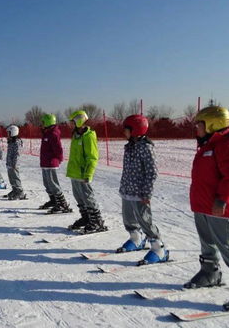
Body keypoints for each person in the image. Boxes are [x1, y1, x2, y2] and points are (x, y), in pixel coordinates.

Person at [183, 106, 229, 311]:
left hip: (219, 208)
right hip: (203, 206)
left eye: (200, 124)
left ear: (213, 124)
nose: (196, 128)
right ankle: (210, 272)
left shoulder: (227, 144)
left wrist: (222, 200)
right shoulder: (206, 145)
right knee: (207, 244)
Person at [117, 115, 168, 264]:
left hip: (140, 193)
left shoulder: (146, 147)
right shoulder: (129, 147)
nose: (124, 133)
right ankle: (136, 239)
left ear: (135, 130)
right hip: (127, 190)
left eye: (126, 130)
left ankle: (159, 248)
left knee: (145, 220)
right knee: (128, 218)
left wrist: (146, 192)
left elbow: (152, 172)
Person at [67, 110, 106, 233]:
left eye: (72, 122)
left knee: (88, 197)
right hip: (75, 172)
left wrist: (89, 174)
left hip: (83, 174)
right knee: (78, 197)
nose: (70, 125)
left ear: (79, 121)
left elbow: (92, 157)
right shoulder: (75, 135)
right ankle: (86, 218)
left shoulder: (88, 136)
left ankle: (97, 221)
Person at [39, 114, 71, 214]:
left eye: (43, 122)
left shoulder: (53, 134)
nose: (41, 124)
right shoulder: (46, 133)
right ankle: (53, 200)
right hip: (45, 163)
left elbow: (58, 148)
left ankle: (62, 204)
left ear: (48, 122)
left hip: (51, 163)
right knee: (47, 183)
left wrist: (59, 159)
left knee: (53, 183)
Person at [4, 125, 26, 200]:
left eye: (9, 133)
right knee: (11, 178)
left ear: (13, 132)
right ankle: (15, 190)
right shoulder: (11, 142)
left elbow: (17, 154)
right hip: (10, 163)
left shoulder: (17, 142)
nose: (8, 135)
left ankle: (20, 192)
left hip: (14, 164)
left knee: (15, 178)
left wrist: (15, 163)